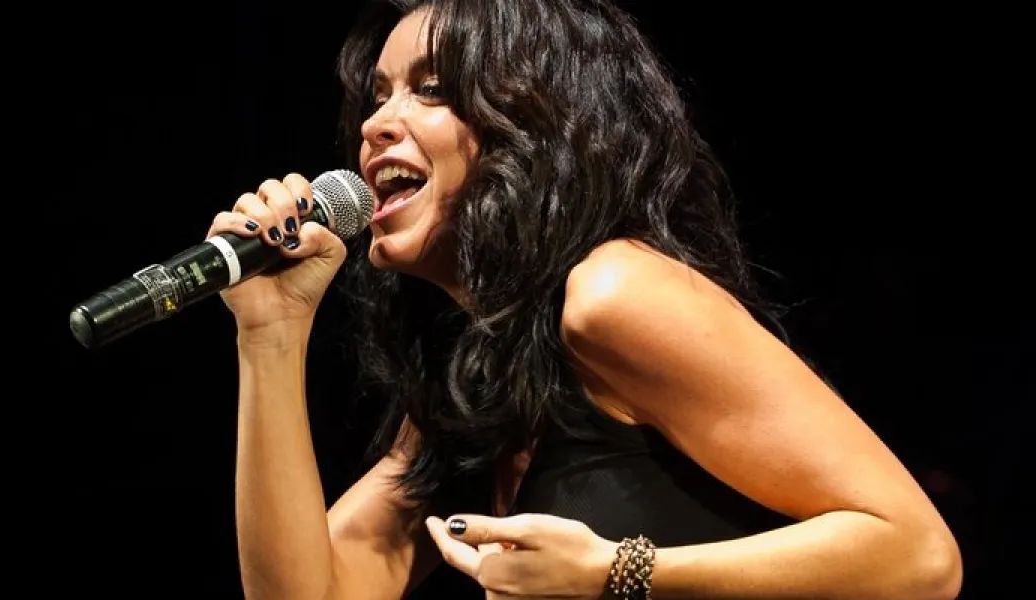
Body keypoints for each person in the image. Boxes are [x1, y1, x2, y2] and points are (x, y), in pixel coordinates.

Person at [206, 0, 963, 598]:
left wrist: (616, 574)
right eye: (377, 97)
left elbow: (917, 555)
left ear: (531, 122)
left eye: (431, 90)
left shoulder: (613, 293)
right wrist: (270, 333)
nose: (374, 124)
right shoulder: (474, 370)